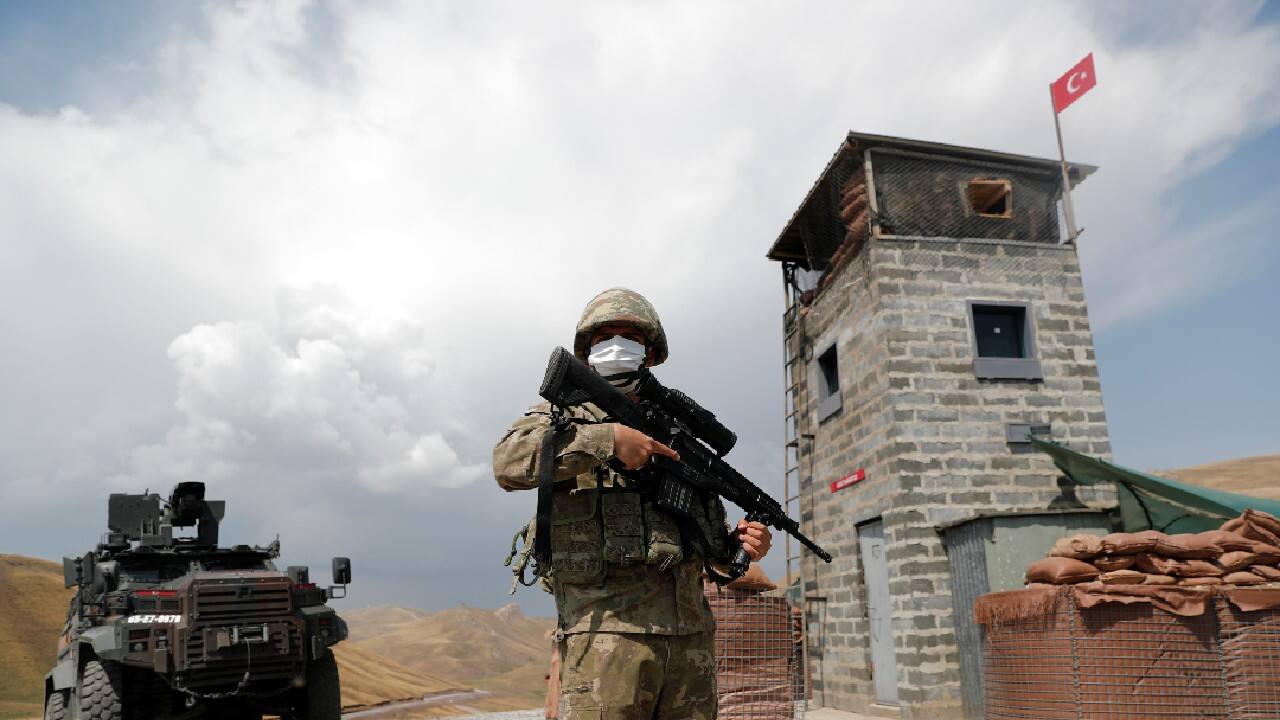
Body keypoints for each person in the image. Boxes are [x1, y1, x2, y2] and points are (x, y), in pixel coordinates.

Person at [493, 287, 772, 720]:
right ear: (587, 350)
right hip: (605, 639)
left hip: (690, 644)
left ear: (651, 353)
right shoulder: (561, 417)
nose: (618, 344)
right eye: (606, 336)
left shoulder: (678, 432)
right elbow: (507, 463)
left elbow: (711, 556)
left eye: (630, 336)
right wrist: (605, 440)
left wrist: (740, 547)